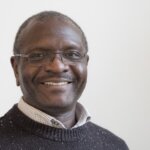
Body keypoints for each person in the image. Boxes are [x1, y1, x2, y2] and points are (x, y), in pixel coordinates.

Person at [0, 11, 129, 150]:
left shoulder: (114, 146)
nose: (57, 67)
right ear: (16, 68)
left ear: (86, 64)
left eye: (72, 54)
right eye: (38, 55)